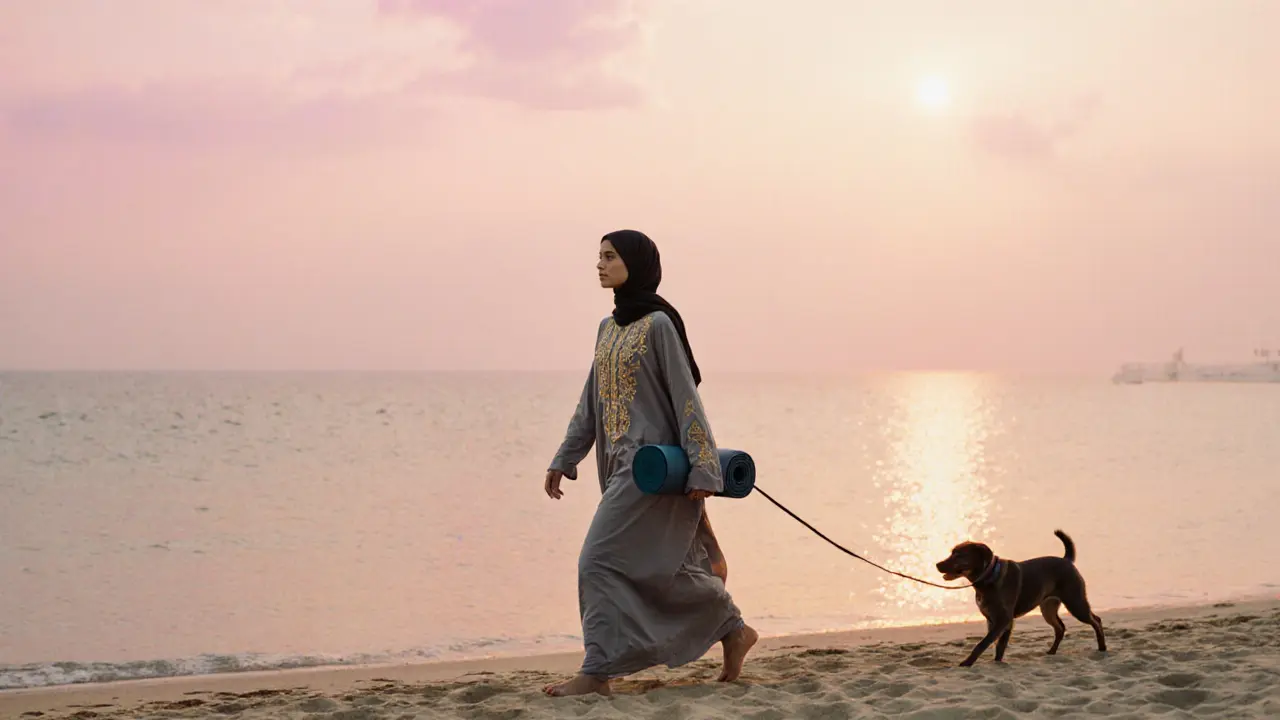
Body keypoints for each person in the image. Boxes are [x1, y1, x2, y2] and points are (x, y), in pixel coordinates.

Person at [542, 229, 757, 697]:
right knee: (662, 570)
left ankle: (597, 672)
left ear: (634, 264)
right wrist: (565, 456)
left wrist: (703, 469)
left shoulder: (659, 324)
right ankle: (733, 628)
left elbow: (686, 396)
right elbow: (591, 401)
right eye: (598, 256)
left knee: (596, 562)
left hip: (656, 471)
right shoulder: (608, 328)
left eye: (609, 257)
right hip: (620, 468)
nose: (599, 264)